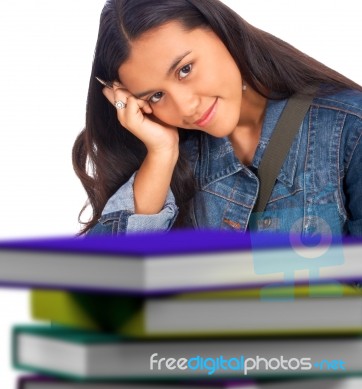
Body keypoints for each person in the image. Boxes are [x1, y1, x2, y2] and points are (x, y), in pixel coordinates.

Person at [72, 0, 362, 237]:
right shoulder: (178, 163)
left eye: (185, 69)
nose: (185, 107)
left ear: (221, 32)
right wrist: (161, 154)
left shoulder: (349, 130)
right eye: (155, 96)